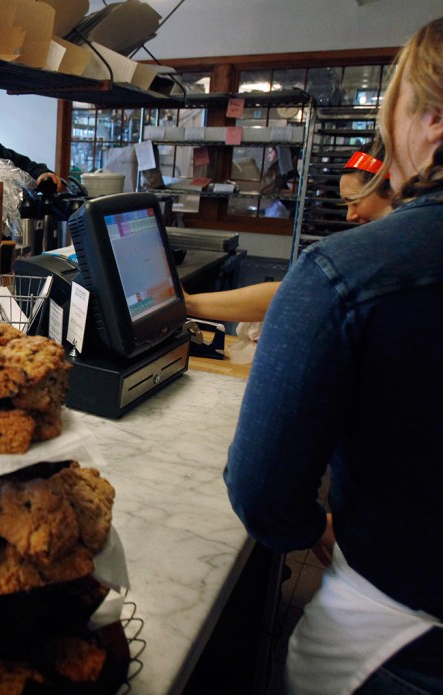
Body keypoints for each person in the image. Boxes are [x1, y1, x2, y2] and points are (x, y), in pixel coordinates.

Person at [224, 17, 443, 694]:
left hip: (397, 643)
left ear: (432, 121)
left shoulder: (348, 272)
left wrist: (307, 526)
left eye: (391, 110)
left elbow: (262, 494)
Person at [184, 144, 395, 323]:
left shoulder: (382, 255)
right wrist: (190, 303)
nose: (350, 216)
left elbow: (293, 295)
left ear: (393, 190)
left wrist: (190, 304)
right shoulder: (384, 248)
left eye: (355, 202)